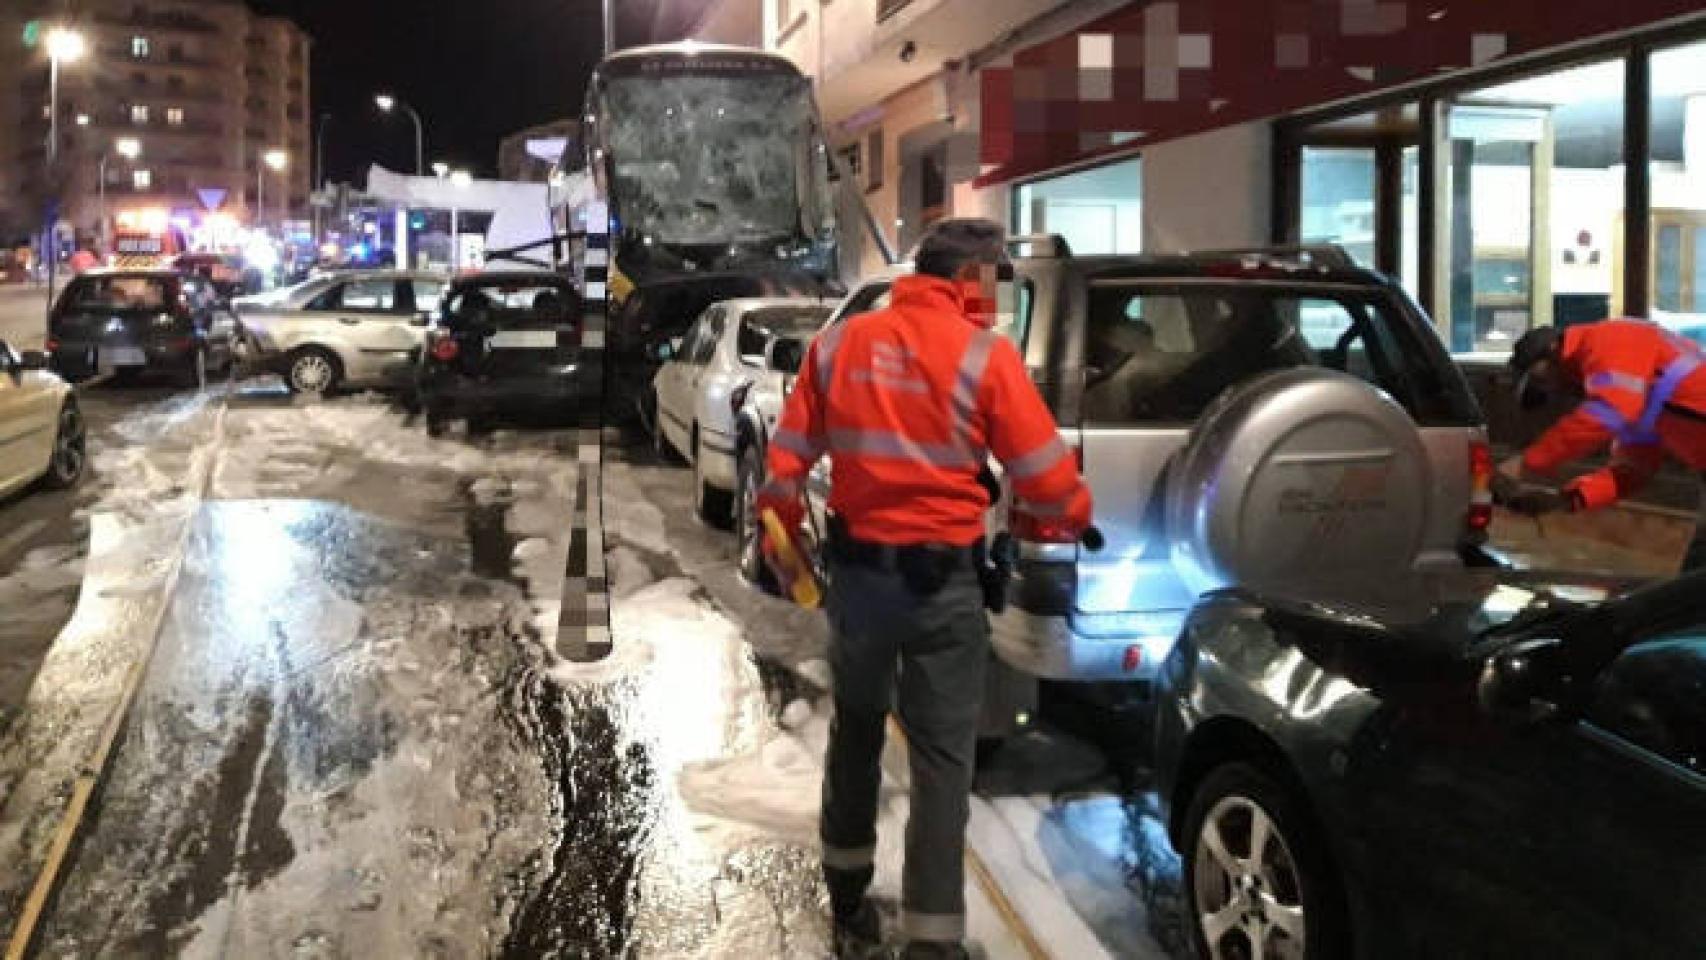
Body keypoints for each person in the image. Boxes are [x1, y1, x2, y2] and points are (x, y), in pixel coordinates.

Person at [757, 218, 1093, 959]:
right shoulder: (985, 356)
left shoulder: (839, 344)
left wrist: (780, 531)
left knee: (857, 726)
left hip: (859, 579)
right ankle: (933, 938)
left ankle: (845, 887)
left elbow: (784, 464)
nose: (999, 295)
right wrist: (1073, 513)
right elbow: (1047, 479)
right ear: (969, 280)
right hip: (943, 587)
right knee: (943, 759)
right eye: (996, 279)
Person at [1501, 319, 1706, 567]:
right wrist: (1563, 500)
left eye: (1542, 380)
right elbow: (1633, 470)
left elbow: (1610, 412)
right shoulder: (1642, 395)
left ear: (1555, 350)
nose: (1553, 391)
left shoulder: (1607, 340)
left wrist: (1528, 463)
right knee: (1695, 575)